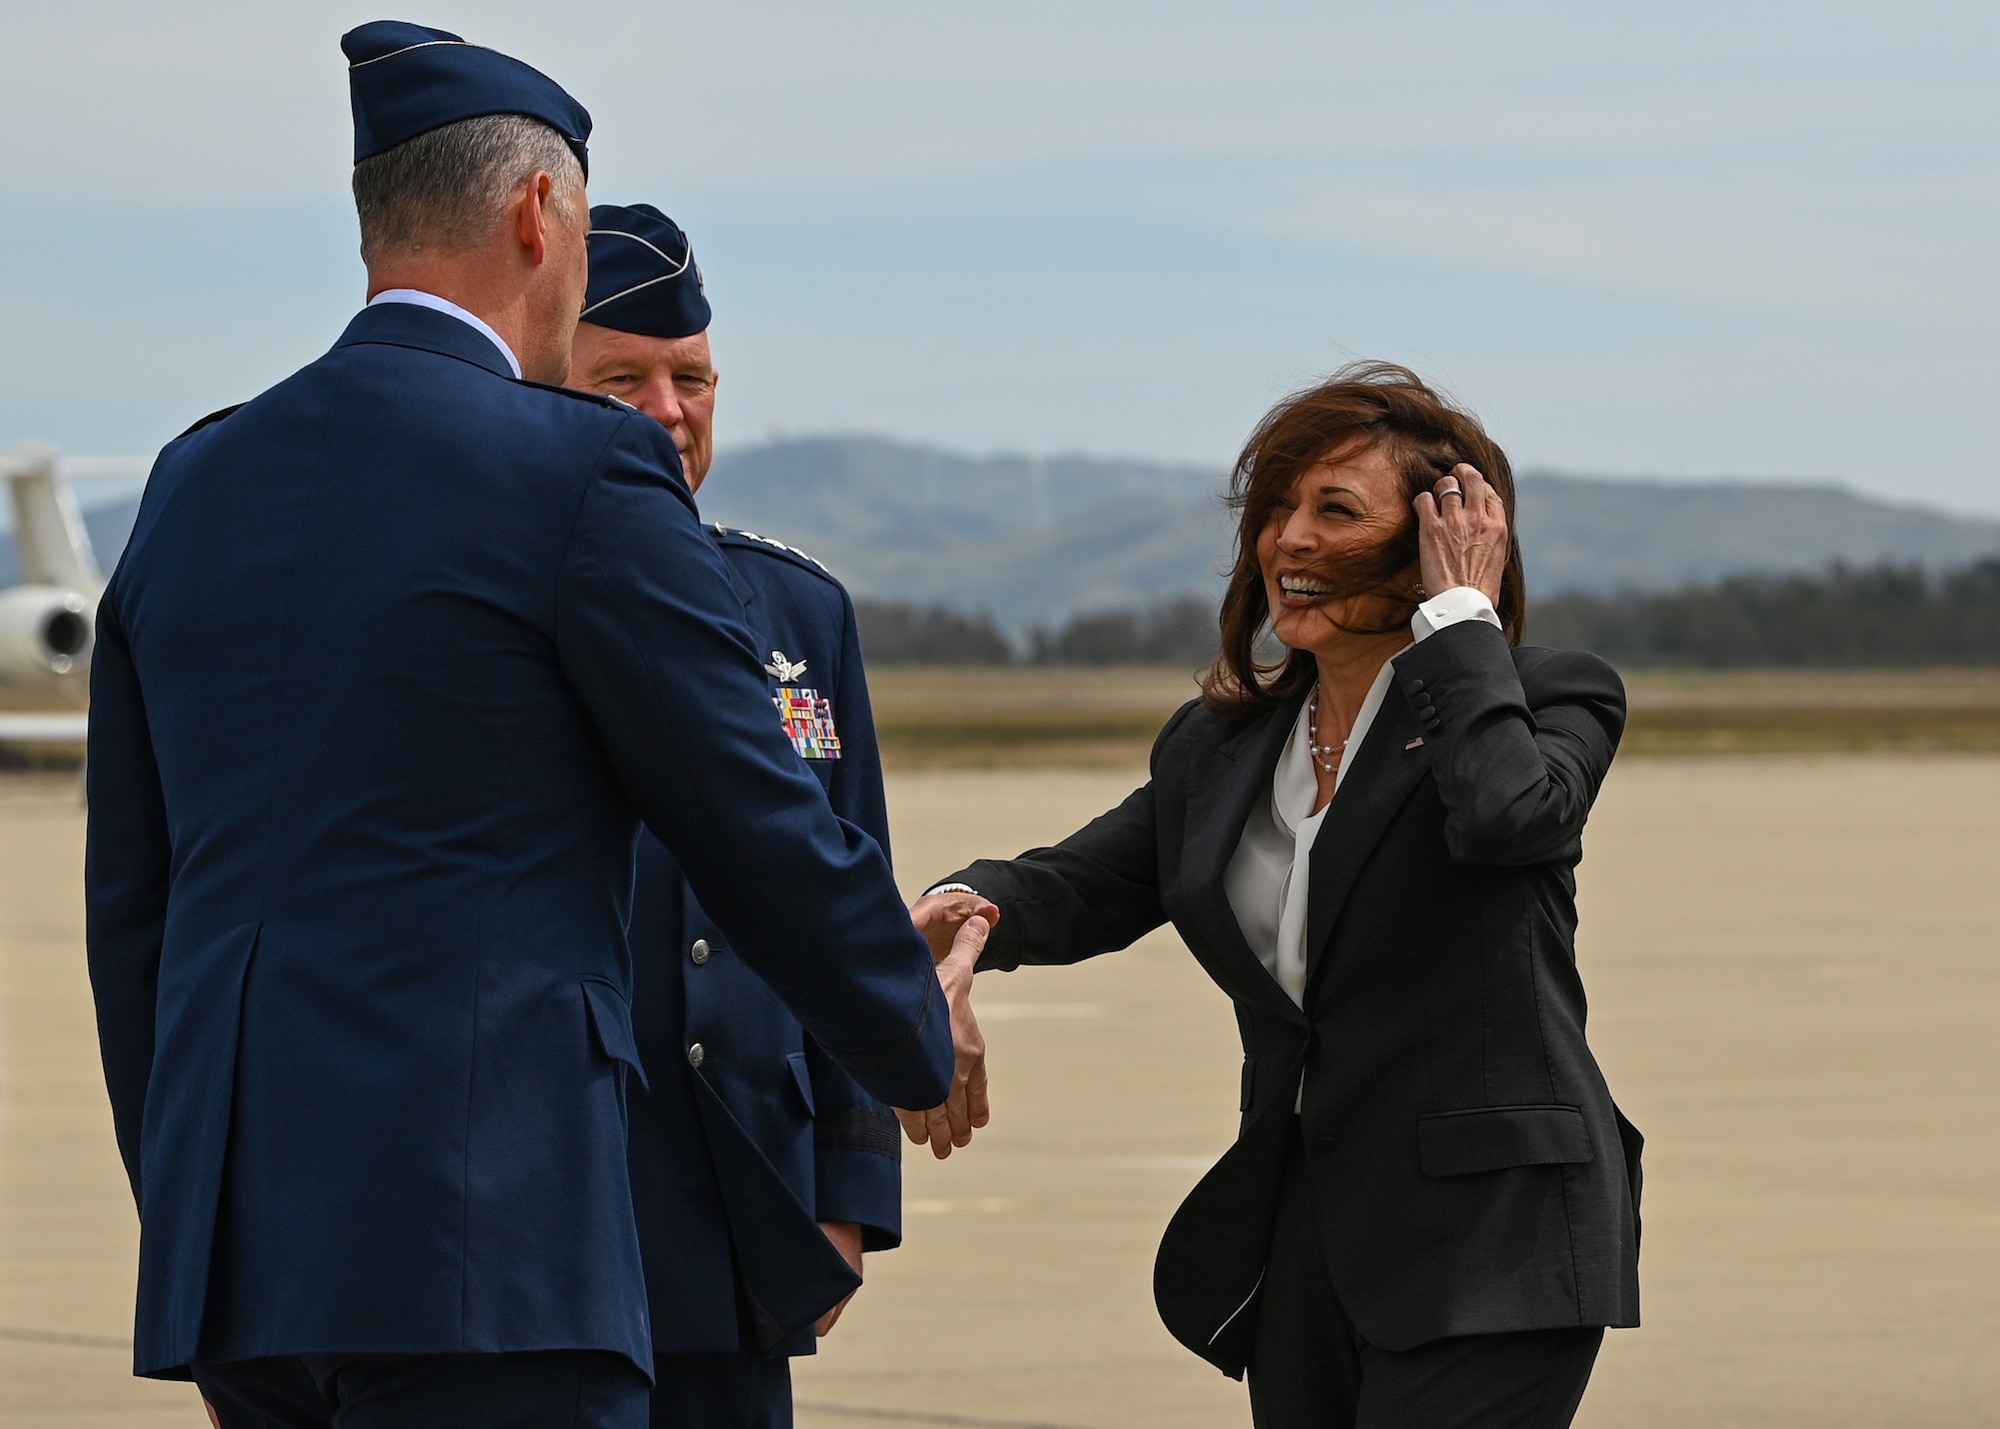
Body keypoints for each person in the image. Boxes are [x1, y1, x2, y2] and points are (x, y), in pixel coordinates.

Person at [86, 23, 985, 1429]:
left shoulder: (193, 480)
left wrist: (194, 1200)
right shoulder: (574, 474)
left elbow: (134, 905)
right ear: (536, 212)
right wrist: (910, 1028)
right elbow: (748, 814)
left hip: (240, 1264)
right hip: (483, 1248)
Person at [913, 363, 1642, 1429]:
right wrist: (961, 912)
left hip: (1496, 1242)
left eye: (1333, 510)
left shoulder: (1542, 700)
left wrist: (1457, 621)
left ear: (1444, 535)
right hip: (1306, 1244)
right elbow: (1079, 882)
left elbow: (1503, 816)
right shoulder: (1221, 747)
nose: (1287, 540)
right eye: (1275, 509)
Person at [565, 204, 916, 1427]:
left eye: (691, 377)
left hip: (738, 1198)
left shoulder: (794, 611)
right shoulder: (487, 601)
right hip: (563, 1180)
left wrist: (847, 1187)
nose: (668, 411)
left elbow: (849, 889)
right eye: (621, 379)